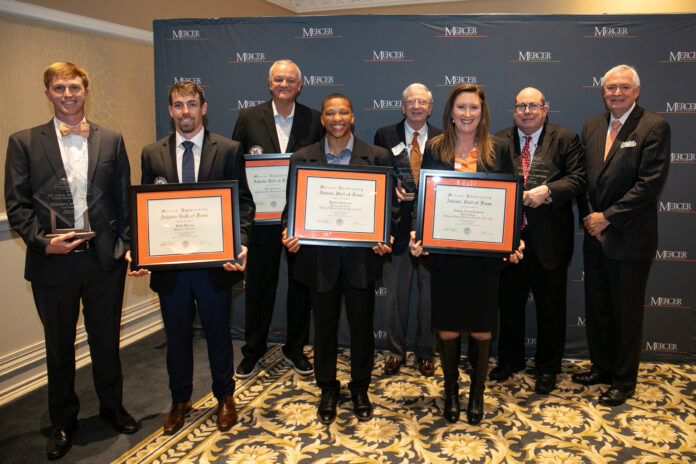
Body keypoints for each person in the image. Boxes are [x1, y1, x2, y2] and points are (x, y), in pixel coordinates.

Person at [4, 62, 138, 460]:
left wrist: (124, 246)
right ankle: (63, 421)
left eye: (74, 87)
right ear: (47, 93)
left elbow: (124, 200)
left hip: (102, 262)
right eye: (59, 88)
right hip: (52, 264)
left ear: (86, 91)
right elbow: (17, 206)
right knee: (59, 347)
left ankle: (113, 408)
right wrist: (44, 243)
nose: (67, 95)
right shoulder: (24, 142)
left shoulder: (111, 140)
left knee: (106, 343)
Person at [130, 81, 255, 433]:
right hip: (172, 269)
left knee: (218, 335)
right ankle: (179, 399)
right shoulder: (151, 153)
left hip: (215, 266)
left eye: (191, 104)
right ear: (170, 110)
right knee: (177, 338)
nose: (185, 111)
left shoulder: (229, 149)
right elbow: (145, 210)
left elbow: (244, 203)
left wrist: (241, 242)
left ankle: (225, 397)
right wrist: (140, 250)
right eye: (178, 105)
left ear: (203, 108)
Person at [409, 84, 523, 425]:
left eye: (474, 107)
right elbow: (425, 196)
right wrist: (419, 233)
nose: (468, 114)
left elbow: (509, 196)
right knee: (446, 327)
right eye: (461, 107)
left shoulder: (499, 147)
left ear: (482, 112)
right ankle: (451, 392)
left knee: (481, 327)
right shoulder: (436, 146)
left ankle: (476, 393)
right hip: (446, 253)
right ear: (450, 111)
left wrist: (512, 239)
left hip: (484, 255)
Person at [282, 94, 395, 425]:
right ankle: (327, 388)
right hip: (319, 261)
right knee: (324, 330)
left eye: (342, 112)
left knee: (362, 329)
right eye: (330, 113)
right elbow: (292, 207)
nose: (336, 118)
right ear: (322, 119)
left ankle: (360, 388)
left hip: (361, 260)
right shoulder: (303, 158)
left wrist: (386, 235)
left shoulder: (376, 156)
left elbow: (389, 208)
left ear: (353, 116)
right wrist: (289, 233)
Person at [574, 64, 670, 406]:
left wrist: (608, 219)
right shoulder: (592, 126)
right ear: (603, 91)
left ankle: (624, 380)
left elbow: (649, 185)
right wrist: (590, 219)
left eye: (623, 87)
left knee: (626, 312)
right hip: (594, 235)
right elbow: (582, 178)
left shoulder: (653, 126)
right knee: (598, 306)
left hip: (630, 236)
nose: (616, 92)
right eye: (610, 87)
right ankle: (601, 367)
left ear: (636, 90)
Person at [490, 87, 586, 394]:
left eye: (533, 106)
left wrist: (548, 191)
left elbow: (578, 178)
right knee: (509, 304)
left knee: (551, 308)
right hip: (509, 239)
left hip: (550, 240)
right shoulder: (497, 140)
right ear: (514, 110)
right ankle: (509, 360)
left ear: (545, 109)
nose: (527, 112)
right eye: (521, 106)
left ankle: (548, 367)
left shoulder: (566, 138)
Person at [231, 59, 323, 378]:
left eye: (291, 80)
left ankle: (295, 349)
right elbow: (236, 166)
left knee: (300, 286)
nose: (284, 85)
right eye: (279, 80)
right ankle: (253, 349)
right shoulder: (248, 118)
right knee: (258, 286)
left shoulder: (315, 119)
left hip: (300, 219)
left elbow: (321, 166)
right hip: (260, 218)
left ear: (300, 85)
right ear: (269, 84)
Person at [373, 83, 441, 377]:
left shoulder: (442, 137)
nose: (416, 106)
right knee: (396, 298)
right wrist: (391, 190)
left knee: (429, 297)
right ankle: (395, 352)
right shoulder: (385, 135)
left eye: (422, 102)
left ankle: (426, 352)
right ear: (402, 107)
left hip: (432, 227)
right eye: (410, 101)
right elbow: (377, 175)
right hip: (397, 227)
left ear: (430, 107)